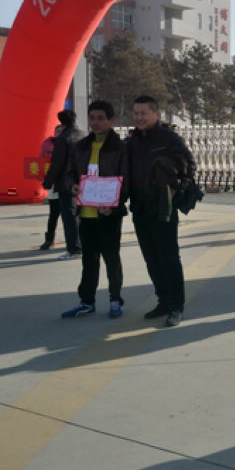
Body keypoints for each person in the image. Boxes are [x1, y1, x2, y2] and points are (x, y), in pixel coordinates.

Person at [127, 95, 196, 327]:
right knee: (151, 258)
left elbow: (191, 166)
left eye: (143, 113)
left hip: (163, 207)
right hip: (140, 207)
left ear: (156, 114)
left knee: (168, 257)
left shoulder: (169, 138)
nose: (139, 117)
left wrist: (177, 189)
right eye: (136, 113)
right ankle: (163, 301)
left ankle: (177, 306)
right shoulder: (132, 141)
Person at [60, 100, 128, 319]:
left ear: (111, 120)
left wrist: (115, 205)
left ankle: (115, 300)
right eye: (92, 118)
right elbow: (70, 172)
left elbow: (126, 180)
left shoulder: (120, 148)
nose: (95, 122)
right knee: (89, 260)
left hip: (109, 213)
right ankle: (87, 302)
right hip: (86, 213)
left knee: (111, 258)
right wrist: (73, 185)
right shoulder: (81, 146)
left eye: (100, 118)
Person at [42, 109, 84, 259]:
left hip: (66, 183)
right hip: (84, 181)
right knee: (82, 215)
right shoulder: (83, 135)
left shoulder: (62, 139)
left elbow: (57, 164)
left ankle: (74, 249)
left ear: (61, 123)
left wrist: (47, 182)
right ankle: (83, 245)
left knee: (69, 216)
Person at [38, 124, 63, 250]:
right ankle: (49, 240)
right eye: (57, 131)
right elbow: (41, 160)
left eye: (61, 131)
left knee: (70, 215)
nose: (59, 133)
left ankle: (75, 240)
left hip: (66, 183)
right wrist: (40, 175)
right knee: (53, 214)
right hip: (53, 183)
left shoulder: (69, 143)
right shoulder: (47, 143)